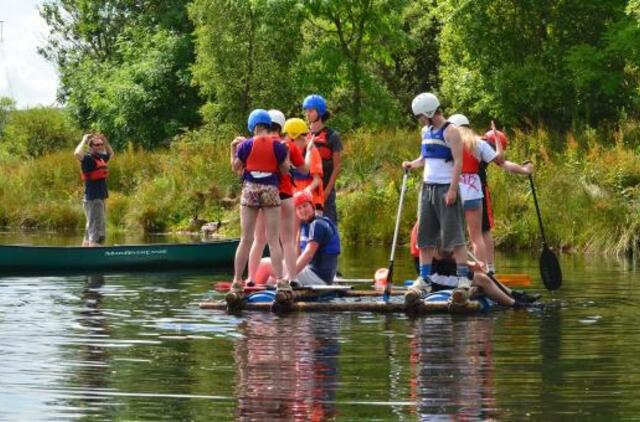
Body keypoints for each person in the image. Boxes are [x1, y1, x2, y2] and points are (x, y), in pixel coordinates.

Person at [401, 92, 469, 306]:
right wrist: (411, 164)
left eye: (421, 115)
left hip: (445, 189)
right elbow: (425, 158)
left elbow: (458, 162)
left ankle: (463, 278)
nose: (419, 119)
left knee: (454, 234)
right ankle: (425, 278)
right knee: (425, 235)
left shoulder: (452, 132)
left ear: (430, 112)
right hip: (427, 188)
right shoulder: (425, 131)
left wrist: (452, 189)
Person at [447, 114, 533, 267]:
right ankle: (485, 271)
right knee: (477, 237)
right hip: (474, 193)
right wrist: (497, 139)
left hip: (454, 192)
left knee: (454, 238)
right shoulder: (478, 143)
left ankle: (453, 271)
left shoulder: (447, 143)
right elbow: (501, 160)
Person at [229, 109, 290, 294]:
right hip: (271, 190)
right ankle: (281, 281)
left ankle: (237, 280)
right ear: (268, 125)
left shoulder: (245, 145)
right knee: (273, 240)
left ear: (252, 126)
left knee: (246, 239)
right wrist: (285, 155)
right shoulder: (278, 146)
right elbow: (286, 170)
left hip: (250, 189)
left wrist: (233, 149)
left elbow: (235, 167)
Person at [246, 110, 308, 285]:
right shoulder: (287, 145)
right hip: (285, 195)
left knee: (259, 239)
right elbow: (305, 170)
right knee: (287, 240)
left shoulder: (255, 144)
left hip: (262, 197)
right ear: (281, 126)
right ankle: (291, 278)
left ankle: (251, 278)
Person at [303, 94, 342, 224]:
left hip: (325, 190)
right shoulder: (303, 135)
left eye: (311, 110)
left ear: (319, 112)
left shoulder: (332, 136)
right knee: (306, 230)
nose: (307, 114)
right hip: (307, 190)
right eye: (306, 110)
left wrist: (327, 190)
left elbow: (337, 166)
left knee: (328, 227)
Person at [292, 190, 340, 286]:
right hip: (311, 273)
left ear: (312, 206)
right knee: (273, 266)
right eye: (299, 208)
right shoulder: (304, 226)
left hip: (319, 277)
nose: (302, 210)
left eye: (305, 206)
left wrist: (289, 276)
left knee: (266, 265)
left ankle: (257, 294)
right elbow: (298, 256)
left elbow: (308, 255)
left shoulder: (318, 224)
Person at [74, 133, 113, 247]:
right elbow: (76, 153)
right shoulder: (88, 159)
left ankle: (85, 255)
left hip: (98, 198)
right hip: (93, 198)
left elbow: (111, 153)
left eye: (101, 144)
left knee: (90, 229)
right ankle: (95, 256)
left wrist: (104, 141)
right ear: (90, 146)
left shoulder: (100, 158)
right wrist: (84, 139)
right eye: (97, 145)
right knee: (97, 231)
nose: (100, 146)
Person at [287, 118, 324, 214]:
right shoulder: (294, 151)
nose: (289, 143)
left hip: (313, 201)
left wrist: (305, 191)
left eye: (291, 140)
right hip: (297, 201)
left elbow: (317, 180)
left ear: (299, 137)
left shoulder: (312, 151)